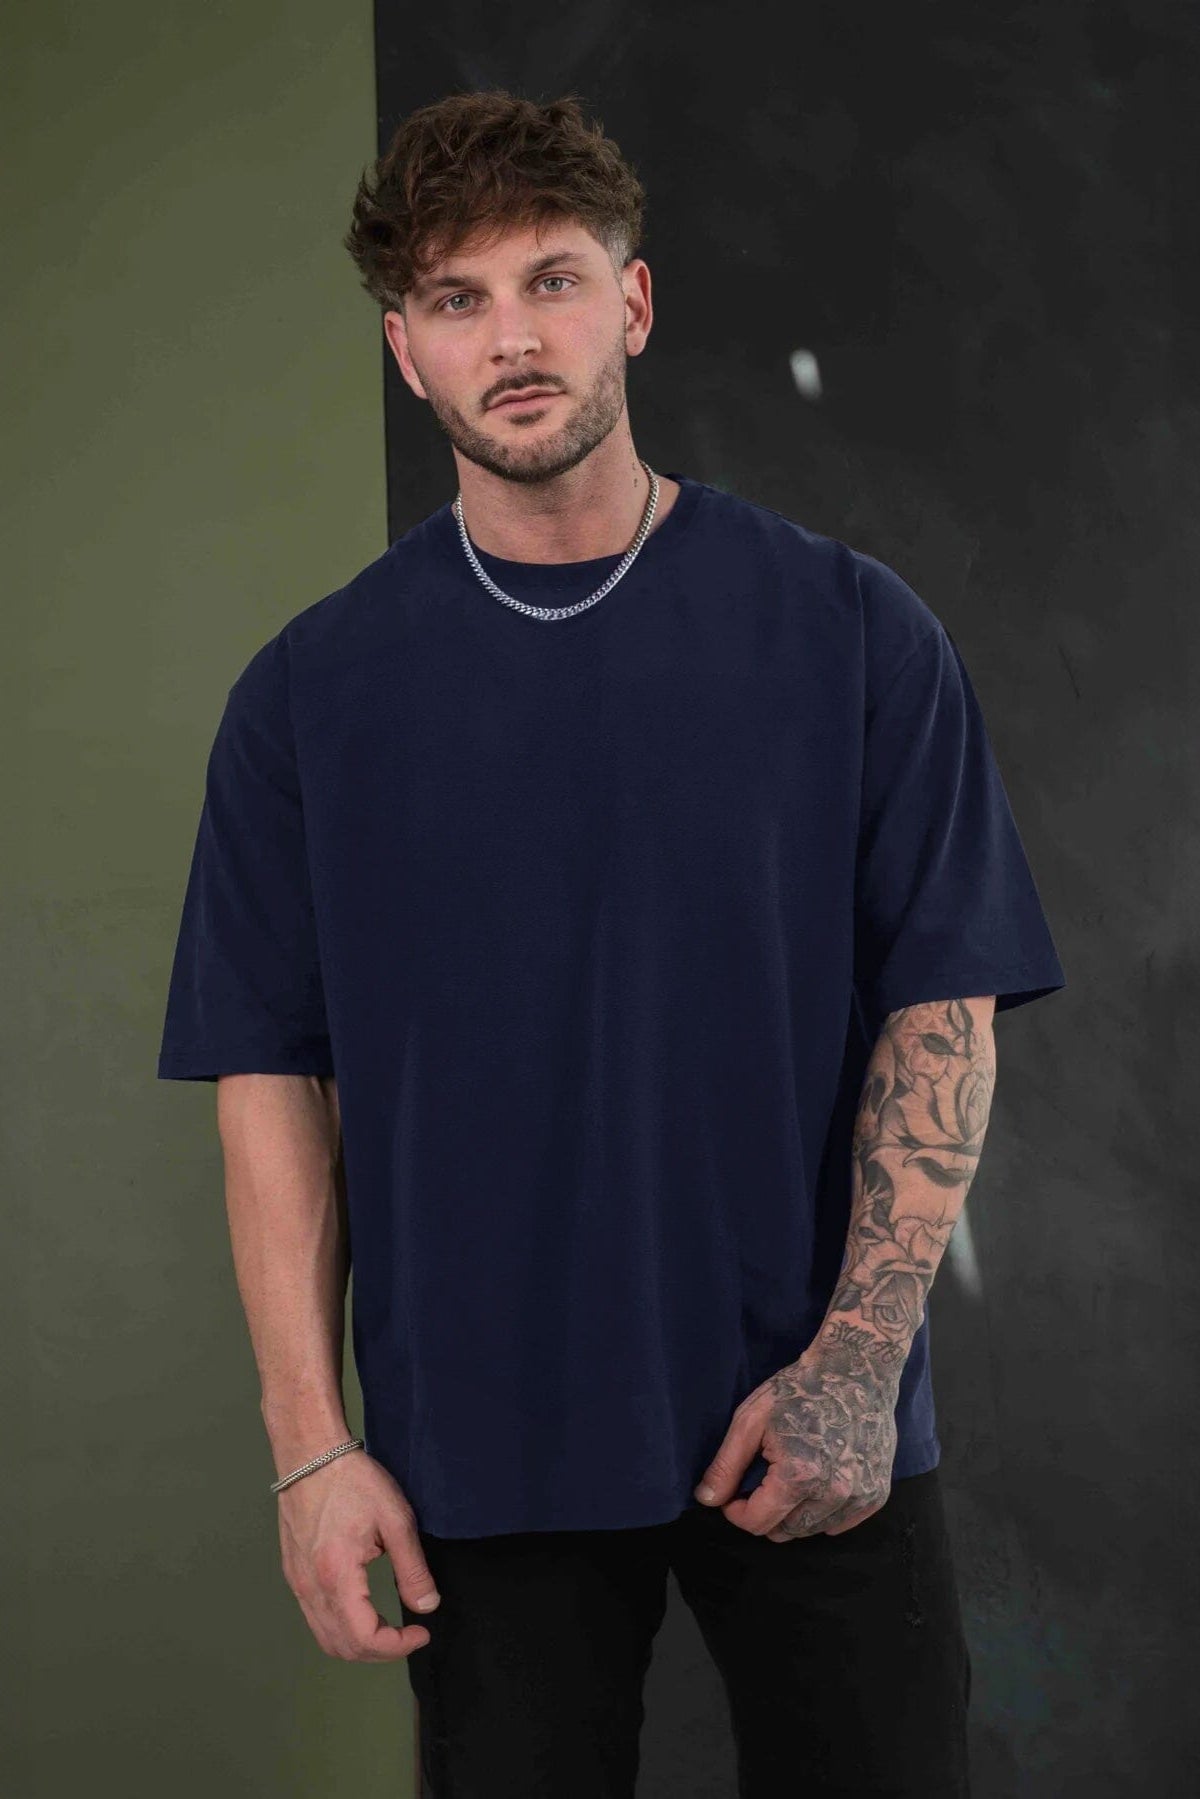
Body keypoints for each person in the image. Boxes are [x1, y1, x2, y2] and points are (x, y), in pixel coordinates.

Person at [156, 89, 1067, 1798]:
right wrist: (310, 1450)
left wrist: (859, 1366)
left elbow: (941, 1006)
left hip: (805, 1415)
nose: (513, 339)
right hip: (476, 1453)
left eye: (552, 281)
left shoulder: (852, 633)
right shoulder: (310, 699)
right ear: (404, 351)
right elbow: (269, 1077)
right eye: (457, 299)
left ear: (631, 305)